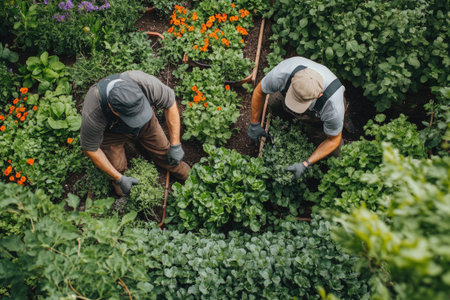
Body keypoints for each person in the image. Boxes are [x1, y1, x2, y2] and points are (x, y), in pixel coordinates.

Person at [80, 70, 190, 196]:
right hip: (112, 134)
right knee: (117, 167)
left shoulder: (146, 84)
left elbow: (170, 103)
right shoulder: (94, 111)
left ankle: (191, 176)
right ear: (113, 109)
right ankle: (125, 192)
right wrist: (119, 177)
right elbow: (90, 149)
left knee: (166, 153)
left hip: (147, 124)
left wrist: (175, 144)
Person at [247, 56, 346, 180]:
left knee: (335, 151)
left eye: (301, 102)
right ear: (293, 80)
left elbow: (333, 140)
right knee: (273, 102)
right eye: (294, 97)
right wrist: (254, 123)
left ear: (319, 95)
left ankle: (329, 126)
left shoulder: (332, 107)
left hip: (321, 114)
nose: (294, 107)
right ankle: (289, 122)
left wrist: (306, 163)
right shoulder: (283, 73)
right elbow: (259, 91)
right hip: (295, 88)